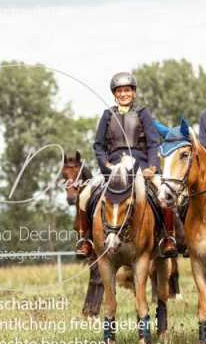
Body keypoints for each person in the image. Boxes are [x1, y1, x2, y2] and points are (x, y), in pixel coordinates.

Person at [75, 72, 177, 258]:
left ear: (134, 93)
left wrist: (153, 167)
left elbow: (154, 142)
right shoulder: (107, 115)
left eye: (127, 90)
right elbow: (98, 145)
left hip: (141, 165)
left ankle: (168, 238)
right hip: (113, 167)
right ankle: (86, 240)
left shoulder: (143, 113)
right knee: (84, 195)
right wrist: (105, 165)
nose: (123, 94)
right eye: (119, 91)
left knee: (163, 191)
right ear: (115, 94)